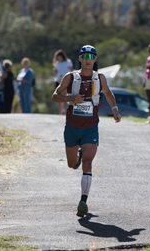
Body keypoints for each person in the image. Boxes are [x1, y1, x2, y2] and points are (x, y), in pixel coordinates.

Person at [52, 45, 121, 218]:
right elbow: (55, 96)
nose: (88, 59)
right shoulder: (70, 77)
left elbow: (108, 93)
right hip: (72, 129)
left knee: (88, 163)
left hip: (91, 128)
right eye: (85, 56)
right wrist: (69, 98)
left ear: (95, 60)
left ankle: (83, 201)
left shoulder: (100, 78)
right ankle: (78, 156)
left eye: (92, 56)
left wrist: (114, 109)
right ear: (80, 59)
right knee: (71, 163)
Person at [53, 50, 74, 115]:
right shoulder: (57, 63)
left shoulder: (68, 62)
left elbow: (71, 70)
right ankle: (60, 113)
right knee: (59, 96)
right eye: (57, 57)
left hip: (65, 80)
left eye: (59, 57)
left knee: (65, 96)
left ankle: (67, 112)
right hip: (58, 80)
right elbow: (57, 72)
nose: (59, 58)